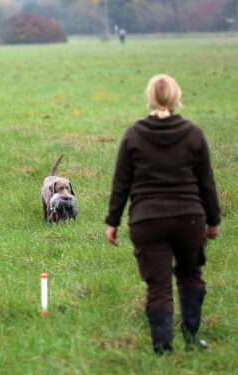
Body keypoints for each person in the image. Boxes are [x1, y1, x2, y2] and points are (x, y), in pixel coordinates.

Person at [105, 74, 221, 355]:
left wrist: (112, 222)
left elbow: (122, 183)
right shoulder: (193, 134)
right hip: (189, 219)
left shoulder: (133, 135)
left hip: (147, 220)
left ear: (150, 98)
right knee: (191, 276)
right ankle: (192, 339)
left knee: (158, 287)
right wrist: (213, 220)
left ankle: (163, 349)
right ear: (175, 97)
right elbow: (206, 182)